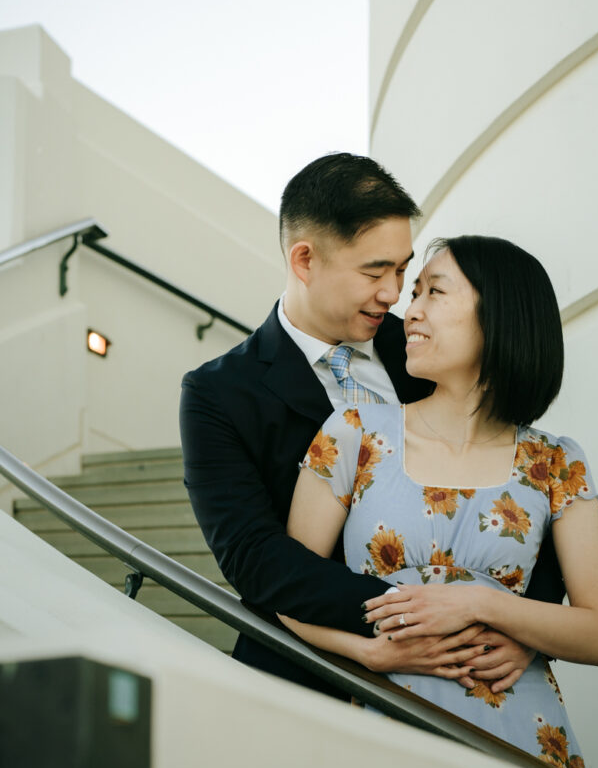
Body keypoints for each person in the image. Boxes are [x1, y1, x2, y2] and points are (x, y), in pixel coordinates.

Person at [180, 154, 560, 699]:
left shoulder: (434, 346)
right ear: (305, 260)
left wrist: (527, 625)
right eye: (374, 271)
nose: (394, 293)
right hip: (308, 676)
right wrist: (410, 621)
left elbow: (522, 483)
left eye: (402, 270)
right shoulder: (217, 393)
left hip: (471, 676)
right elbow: (255, 557)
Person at [281, 234, 598, 768]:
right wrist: (369, 655)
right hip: (383, 720)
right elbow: (287, 594)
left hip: (522, 736)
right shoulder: (354, 434)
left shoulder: (555, 461)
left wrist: (481, 605)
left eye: (433, 293)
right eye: (414, 293)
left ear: (499, 318)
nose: (408, 311)